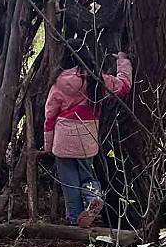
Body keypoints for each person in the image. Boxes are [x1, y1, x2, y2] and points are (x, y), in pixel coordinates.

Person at [44, 41, 132, 227]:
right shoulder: (97, 80)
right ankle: (93, 196)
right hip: (87, 137)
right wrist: (123, 61)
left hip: (63, 140)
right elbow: (124, 86)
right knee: (88, 177)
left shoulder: (58, 82)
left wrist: (47, 145)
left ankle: (75, 218)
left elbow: (50, 116)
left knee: (69, 183)